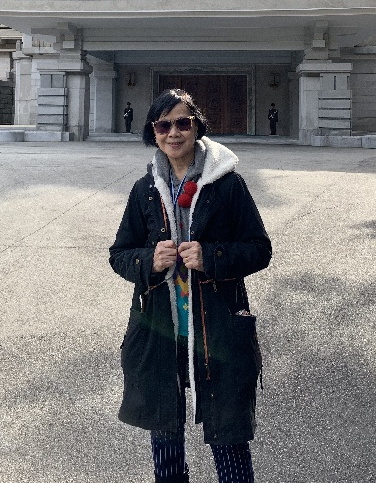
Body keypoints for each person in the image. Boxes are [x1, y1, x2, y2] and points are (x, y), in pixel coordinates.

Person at [109, 89, 272, 483]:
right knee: (165, 431)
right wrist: (148, 260)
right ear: (153, 132)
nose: (173, 133)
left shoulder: (228, 186)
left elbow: (259, 249)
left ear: (197, 126)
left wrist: (212, 256)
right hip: (161, 329)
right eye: (163, 125)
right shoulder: (145, 190)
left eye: (183, 122)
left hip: (217, 328)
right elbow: (119, 253)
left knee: (228, 432)